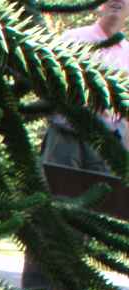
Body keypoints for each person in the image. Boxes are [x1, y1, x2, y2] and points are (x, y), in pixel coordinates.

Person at [41, 0, 129, 174]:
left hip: (107, 145)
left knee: (105, 199)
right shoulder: (73, 39)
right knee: (57, 194)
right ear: (99, 4)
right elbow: (48, 84)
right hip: (65, 136)